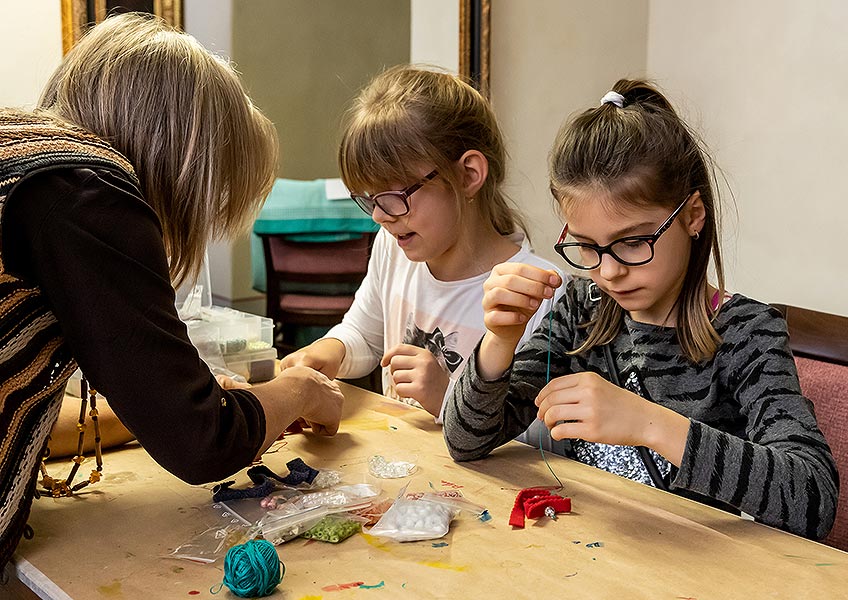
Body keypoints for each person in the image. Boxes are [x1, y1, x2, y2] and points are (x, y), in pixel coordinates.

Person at [0, 14, 343, 567]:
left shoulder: (24, 156)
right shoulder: (86, 189)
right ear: (181, 160)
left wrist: (170, 403)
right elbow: (202, 444)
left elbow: (30, 419)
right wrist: (299, 391)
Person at [443, 80, 838, 539]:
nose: (608, 271)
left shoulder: (746, 331)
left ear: (692, 215)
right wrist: (500, 340)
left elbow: (814, 499)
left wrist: (649, 424)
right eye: (587, 246)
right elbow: (465, 442)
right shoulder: (580, 309)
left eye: (633, 242)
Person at [282, 66, 566, 424]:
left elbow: (545, 438)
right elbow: (364, 335)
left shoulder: (536, 289)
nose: (380, 216)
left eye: (394, 195)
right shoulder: (394, 246)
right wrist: (330, 351)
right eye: (370, 199)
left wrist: (447, 394)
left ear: (468, 175)